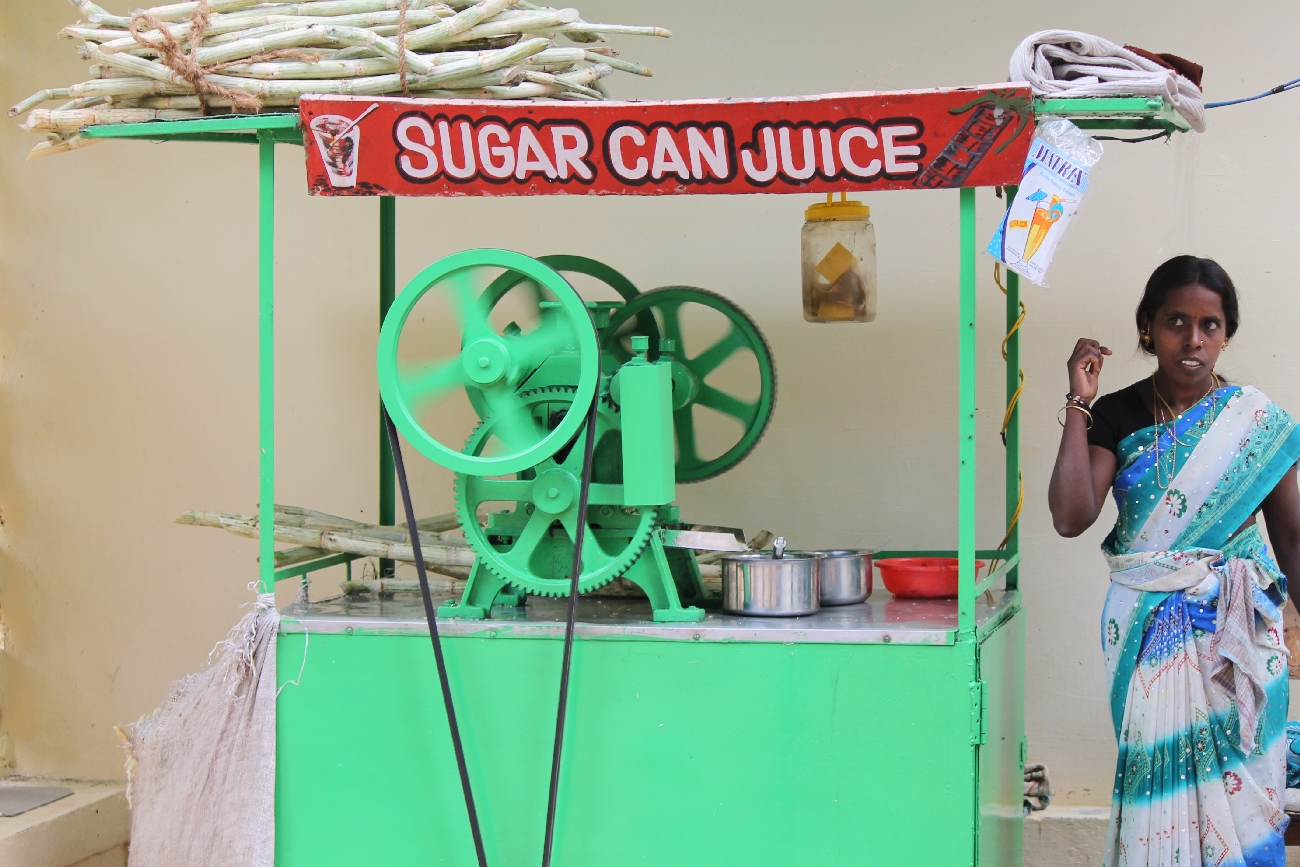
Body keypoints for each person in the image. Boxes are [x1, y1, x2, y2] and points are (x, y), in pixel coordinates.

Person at [1048, 255, 1300, 867]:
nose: (1192, 340)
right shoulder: (1117, 412)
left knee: (1246, 790)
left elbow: (1292, 538)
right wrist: (1079, 406)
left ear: (1226, 333)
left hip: (1237, 629)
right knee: (1157, 784)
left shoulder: (1256, 424)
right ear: (1148, 328)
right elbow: (1070, 515)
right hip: (1146, 630)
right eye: (1175, 322)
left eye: (1209, 325)